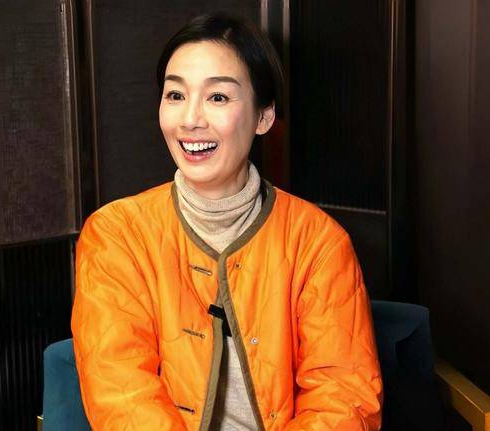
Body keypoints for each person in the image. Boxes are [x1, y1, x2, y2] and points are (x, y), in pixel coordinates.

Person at [71, 12, 383, 431]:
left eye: (217, 97)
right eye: (175, 95)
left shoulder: (318, 242)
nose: (190, 119)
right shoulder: (117, 235)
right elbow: (121, 396)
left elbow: (343, 397)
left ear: (263, 116)